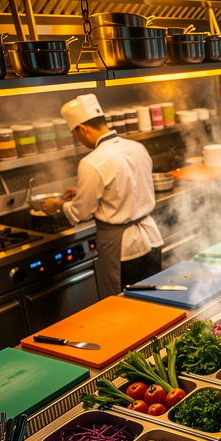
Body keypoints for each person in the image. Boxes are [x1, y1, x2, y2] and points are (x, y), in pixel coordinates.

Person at [54, 93, 164, 299]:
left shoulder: (92, 162)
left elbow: (81, 212)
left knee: (124, 307)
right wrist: (82, 191)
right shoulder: (137, 147)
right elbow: (128, 185)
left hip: (122, 249)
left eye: (75, 134)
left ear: (83, 129)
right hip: (151, 239)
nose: (77, 139)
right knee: (155, 302)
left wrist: (59, 206)